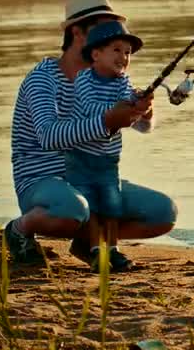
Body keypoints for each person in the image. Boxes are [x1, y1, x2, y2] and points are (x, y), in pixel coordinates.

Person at [5, 0, 178, 267]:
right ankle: (20, 230)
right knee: (72, 210)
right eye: (102, 31)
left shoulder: (105, 78)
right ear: (77, 34)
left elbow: (142, 127)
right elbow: (49, 136)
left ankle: (89, 243)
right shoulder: (43, 78)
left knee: (162, 213)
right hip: (43, 181)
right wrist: (107, 121)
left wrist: (143, 111)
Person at [66, 19, 152, 272]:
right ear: (95, 54)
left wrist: (142, 107)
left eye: (127, 53)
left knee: (111, 204)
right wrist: (117, 111)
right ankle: (94, 252)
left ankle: (113, 251)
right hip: (82, 157)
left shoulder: (123, 81)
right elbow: (90, 109)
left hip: (109, 160)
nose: (123, 57)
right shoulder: (84, 80)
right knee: (93, 206)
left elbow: (133, 118)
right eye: (116, 50)